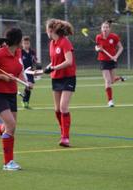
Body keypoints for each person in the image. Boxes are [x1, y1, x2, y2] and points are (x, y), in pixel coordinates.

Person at [0, 28, 31, 171]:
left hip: (11, 93)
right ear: (18, 41)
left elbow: (19, 70)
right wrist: (3, 77)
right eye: (21, 40)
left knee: (8, 127)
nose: (23, 42)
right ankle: (8, 163)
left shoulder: (18, 52)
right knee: (11, 125)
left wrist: (26, 82)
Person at [44, 19, 76, 147]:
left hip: (68, 77)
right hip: (56, 78)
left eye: (46, 29)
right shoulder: (52, 43)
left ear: (51, 30)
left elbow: (69, 61)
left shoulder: (65, 42)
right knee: (57, 109)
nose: (46, 32)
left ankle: (65, 137)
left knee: (63, 107)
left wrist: (53, 68)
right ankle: (63, 131)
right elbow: (54, 61)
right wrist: (44, 69)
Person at [95, 20, 124, 107]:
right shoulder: (98, 37)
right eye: (103, 27)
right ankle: (110, 101)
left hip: (112, 60)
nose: (105, 29)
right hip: (103, 60)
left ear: (109, 29)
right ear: (101, 29)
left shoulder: (114, 37)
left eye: (107, 27)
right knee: (107, 81)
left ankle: (118, 78)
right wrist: (98, 49)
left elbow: (121, 47)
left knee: (111, 80)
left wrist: (116, 56)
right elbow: (97, 47)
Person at [21, 36, 37, 109]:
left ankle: (25, 100)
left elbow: (34, 61)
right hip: (24, 71)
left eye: (27, 43)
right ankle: (25, 101)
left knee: (30, 87)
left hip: (30, 71)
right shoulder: (20, 52)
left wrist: (35, 70)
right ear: (22, 44)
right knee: (29, 85)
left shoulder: (32, 52)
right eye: (25, 43)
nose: (26, 45)